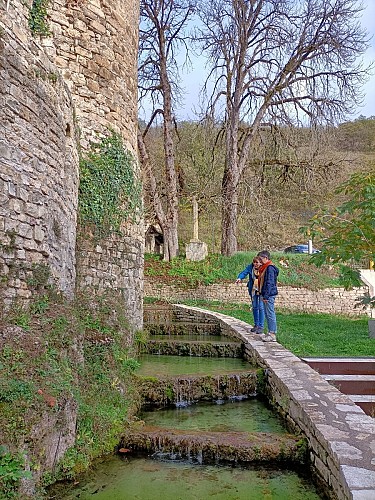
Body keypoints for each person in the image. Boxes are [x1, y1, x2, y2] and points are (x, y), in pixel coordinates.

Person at [235, 257, 265, 334]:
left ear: (261, 263)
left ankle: (261, 327)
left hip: (261, 290)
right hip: (253, 290)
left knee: (261, 307)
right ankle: (256, 325)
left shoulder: (264, 268)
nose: (255, 264)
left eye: (257, 262)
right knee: (255, 306)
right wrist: (239, 278)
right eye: (254, 262)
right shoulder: (250, 267)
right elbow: (244, 272)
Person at [257, 250, 279, 343]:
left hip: (269, 295)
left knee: (270, 314)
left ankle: (272, 334)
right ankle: (270, 332)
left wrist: (266, 296)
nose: (260, 261)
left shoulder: (269, 268)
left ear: (266, 258)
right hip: (266, 294)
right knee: (267, 313)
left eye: (261, 258)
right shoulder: (265, 267)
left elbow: (269, 283)